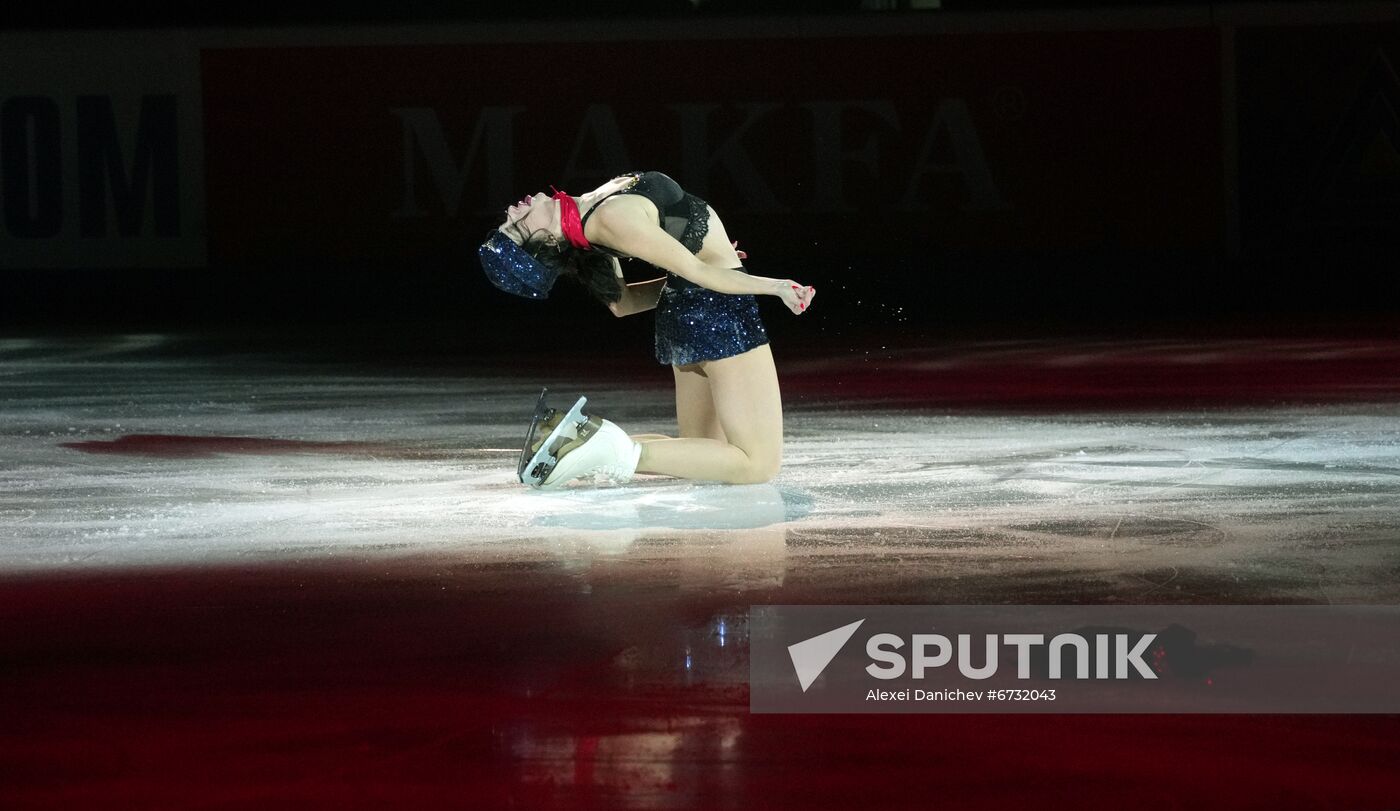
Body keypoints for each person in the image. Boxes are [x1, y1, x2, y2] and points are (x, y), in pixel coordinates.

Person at [478, 171, 815, 488]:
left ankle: (575, 446)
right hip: (718, 315)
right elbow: (697, 270)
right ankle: (599, 449)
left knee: (705, 453)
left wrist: (709, 267)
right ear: (548, 243)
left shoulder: (588, 217)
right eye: (516, 226)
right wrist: (777, 286)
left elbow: (624, 302)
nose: (511, 210)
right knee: (757, 465)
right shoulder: (609, 220)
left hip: (688, 312)